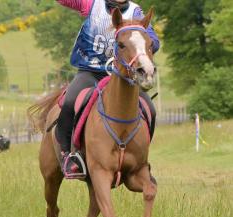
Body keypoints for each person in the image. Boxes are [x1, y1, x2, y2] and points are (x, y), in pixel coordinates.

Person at [55, 0, 160, 178]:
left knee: (150, 108)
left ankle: (142, 161)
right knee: (70, 102)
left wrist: (144, 40)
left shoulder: (136, 12)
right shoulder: (91, 4)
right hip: (90, 71)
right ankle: (68, 156)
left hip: (120, 74)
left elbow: (153, 41)